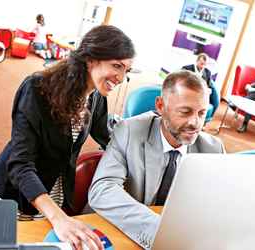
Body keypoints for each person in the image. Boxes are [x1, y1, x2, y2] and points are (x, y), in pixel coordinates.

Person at [0, 25, 135, 250]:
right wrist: (58, 217)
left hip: (51, 195)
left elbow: (106, 137)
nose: (121, 77)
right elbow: (20, 164)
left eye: (127, 70)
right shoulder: (37, 88)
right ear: (91, 59)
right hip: (10, 194)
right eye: (117, 66)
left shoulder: (96, 97)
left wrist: (140, 153)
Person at [88, 70, 225, 249]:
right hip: (117, 235)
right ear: (160, 106)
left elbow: (218, 205)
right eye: (185, 112)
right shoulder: (129, 131)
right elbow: (102, 190)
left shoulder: (213, 149)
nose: (195, 123)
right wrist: (161, 232)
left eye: (201, 113)